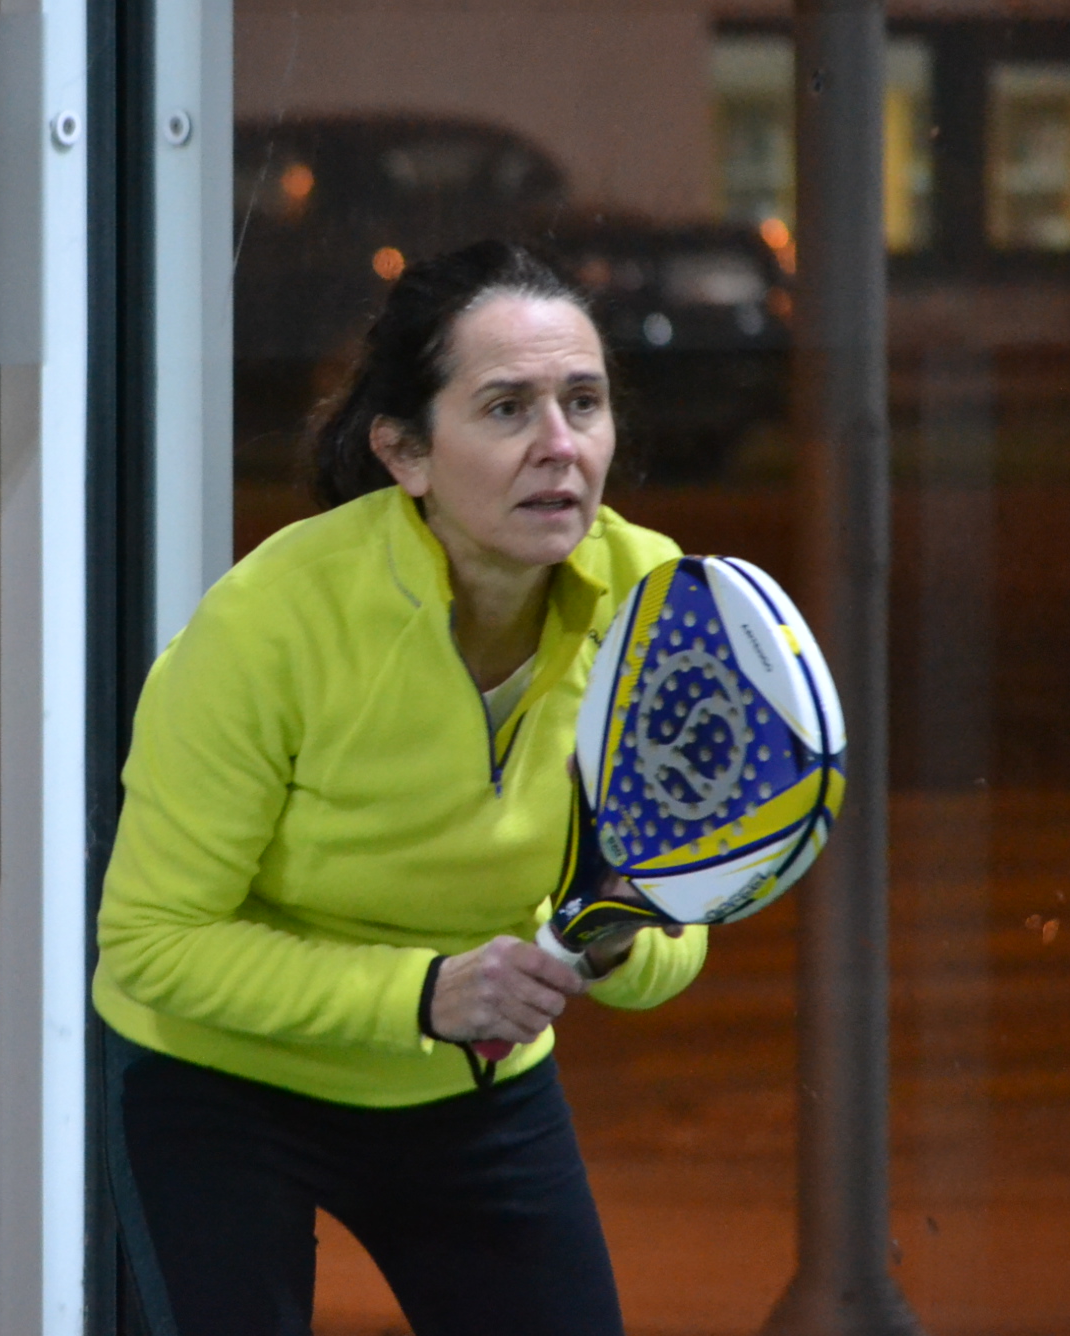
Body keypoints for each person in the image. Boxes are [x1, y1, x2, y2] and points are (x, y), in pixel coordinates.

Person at [94, 240, 709, 1336]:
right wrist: (424, 995)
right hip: (222, 1082)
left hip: (470, 1086)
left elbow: (673, 931)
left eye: (584, 402)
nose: (561, 445)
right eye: (508, 408)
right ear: (405, 453)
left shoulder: (656, 605)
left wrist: (616, 937)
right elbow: (152, 941)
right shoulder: (272, 618)